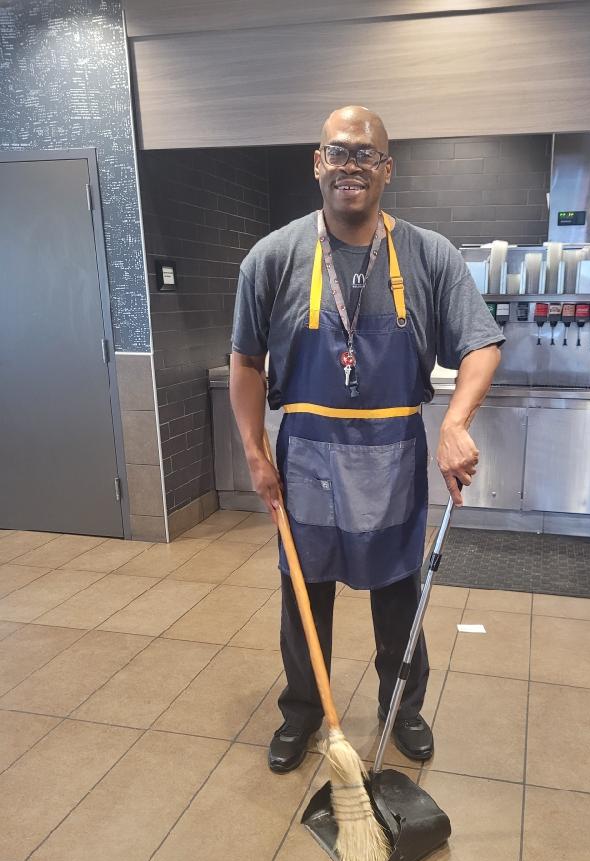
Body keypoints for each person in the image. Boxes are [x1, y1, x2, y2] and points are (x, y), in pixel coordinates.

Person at [230, 105, 503, 772]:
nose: (351, 167)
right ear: (317, 163)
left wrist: (455, 423)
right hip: (309, 454)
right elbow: (246, 361)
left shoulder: (427, 254)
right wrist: (255, 453)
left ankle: (402, 708)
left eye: (366, 155)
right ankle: (303, 712)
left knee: (398, 592)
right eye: (339, 153)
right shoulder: (274, 257)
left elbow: (482, 347)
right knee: (304, 592)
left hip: (394, 452)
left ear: (387, 169)